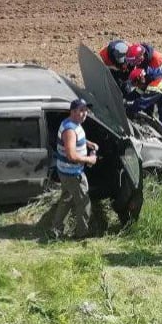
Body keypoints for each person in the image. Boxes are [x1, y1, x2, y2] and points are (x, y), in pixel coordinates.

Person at [45, 98, 99, 239]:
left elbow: (74, 140)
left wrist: (88, 143)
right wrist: (90, 159)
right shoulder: (69, 129)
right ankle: (82, 233)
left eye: (85, 110)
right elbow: (71, 155)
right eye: (81, 110)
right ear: (73, 112)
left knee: (66, 199)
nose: (84, 113)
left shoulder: (72, 123)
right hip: (73, 174)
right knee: (84, 203)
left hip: (66, 172)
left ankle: (56, 229)